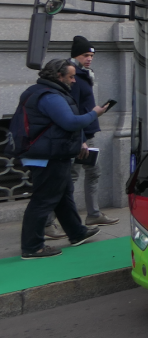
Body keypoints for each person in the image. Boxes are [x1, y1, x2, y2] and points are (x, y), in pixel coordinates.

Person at [20, 58, 109, 259]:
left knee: (63, 194)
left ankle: (77, 232)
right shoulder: (50, 96)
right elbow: (69, 122)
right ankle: (32, 246)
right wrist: (94, 114)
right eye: (70, 76)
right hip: (47, 156)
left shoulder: (43, 92)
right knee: (44, 199)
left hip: (51, 153)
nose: (74, 80)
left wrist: (80, 141)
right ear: (58, 76)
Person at [49, 37, 118, 231]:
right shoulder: (74, 76)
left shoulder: (85, 74)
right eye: (85, 55)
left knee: (92, 172)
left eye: (92, 55)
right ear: (75, 55)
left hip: (87, 133)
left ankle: (94, 214)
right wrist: (80, 139)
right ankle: (49, 221)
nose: (89, 59)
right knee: (70, 177)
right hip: (79, 135)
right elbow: (73, 110)